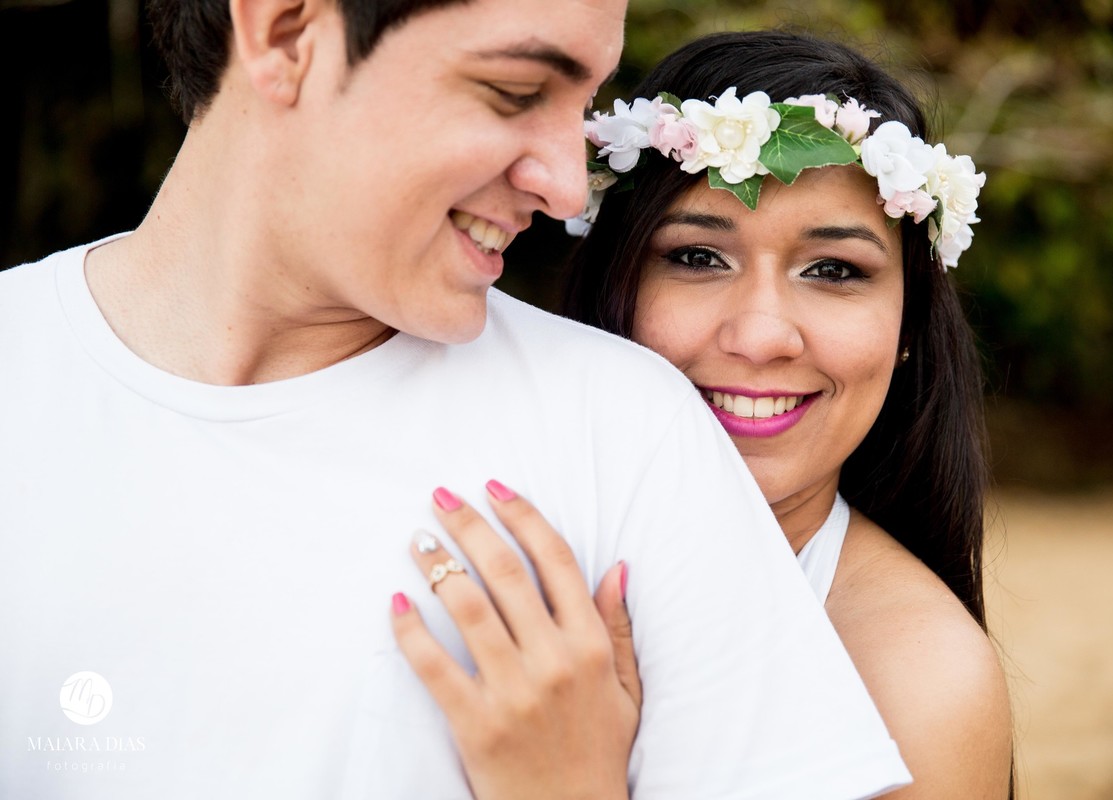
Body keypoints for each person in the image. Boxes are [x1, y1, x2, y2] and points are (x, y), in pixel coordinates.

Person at [0, 4, 912, 800]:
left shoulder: (627, 433)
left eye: (584, 104)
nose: (565, 185)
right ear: (284, 31)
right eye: (516, 91)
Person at [392, 29, 1013, 799]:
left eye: (834, 270)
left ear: (909, 328)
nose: (758, 336)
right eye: (696, 257)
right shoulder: (464, 491)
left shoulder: (919, 681)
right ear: (614, 284)